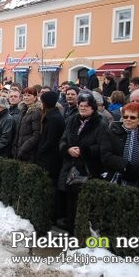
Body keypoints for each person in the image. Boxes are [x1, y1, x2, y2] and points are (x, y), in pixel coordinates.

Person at [58, 92, 109, 234]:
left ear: (93, 108)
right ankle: (71, 233)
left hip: (89, 170)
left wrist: (84, 150)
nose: (83, 108)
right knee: (70, 204)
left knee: (85, 205)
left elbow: (103, 148)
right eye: (81, 105)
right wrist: (68, 149)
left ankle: (83, 234)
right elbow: (63, 140)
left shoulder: (101, 123)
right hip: (70, 168)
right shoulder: (72, 120)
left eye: (86, 106)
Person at [102, 103, 139, 191]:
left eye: (132, 117)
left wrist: (138, 169)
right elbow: (106, 155)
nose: (128, 119)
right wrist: (126, 166)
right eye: (125, 117)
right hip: (114, 180)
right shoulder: (111, 133)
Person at [35, 91, 65, 223]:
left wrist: (40, 151)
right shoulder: (54, 116)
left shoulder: (53, 118)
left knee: (50, 186)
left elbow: (50, 140)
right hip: (50, 157)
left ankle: (52, 215)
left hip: (50, 159)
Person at [11, 87, 42, 162]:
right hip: (19, 149)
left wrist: (23, 149)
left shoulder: (37, 112)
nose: (26, 97)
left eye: (29, 95)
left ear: (35, 97)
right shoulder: (23, 110)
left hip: (29, 151)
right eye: (24, 95)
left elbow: (36, 135)